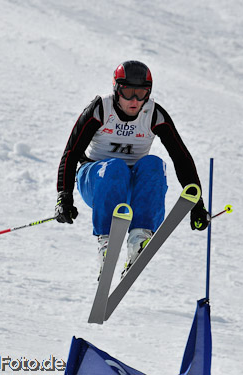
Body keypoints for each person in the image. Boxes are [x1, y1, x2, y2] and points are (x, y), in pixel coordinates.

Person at [55, 60, 210, 274]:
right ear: (117, 89)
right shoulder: (100, 109)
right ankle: (107, 243)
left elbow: (181, 157)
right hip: (96, 181)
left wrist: (197, 203)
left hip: (130, 187)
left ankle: (140, 238)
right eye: (128, 92)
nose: (135, 100)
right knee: (116, 167)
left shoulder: (154, 114)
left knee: (154, 164)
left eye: (142, 93)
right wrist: (64, 196)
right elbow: (71, 152)